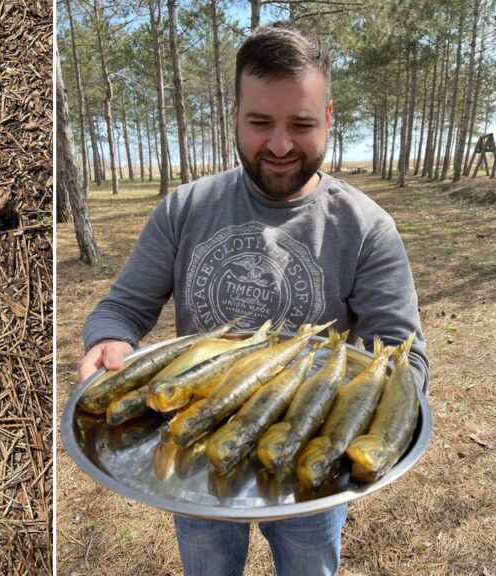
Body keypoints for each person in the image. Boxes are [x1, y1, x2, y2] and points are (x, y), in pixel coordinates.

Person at [78, 21, 429, 576]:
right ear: (235, 116)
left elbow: (401, 352)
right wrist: (108, 343)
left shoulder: (366, 227)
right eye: (260, 122)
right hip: (198, 459)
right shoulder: (185, 208)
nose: (281, 145)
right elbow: (122, 308)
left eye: (302, 124)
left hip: (307, 468)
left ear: (330, 119)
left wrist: (368, 427)